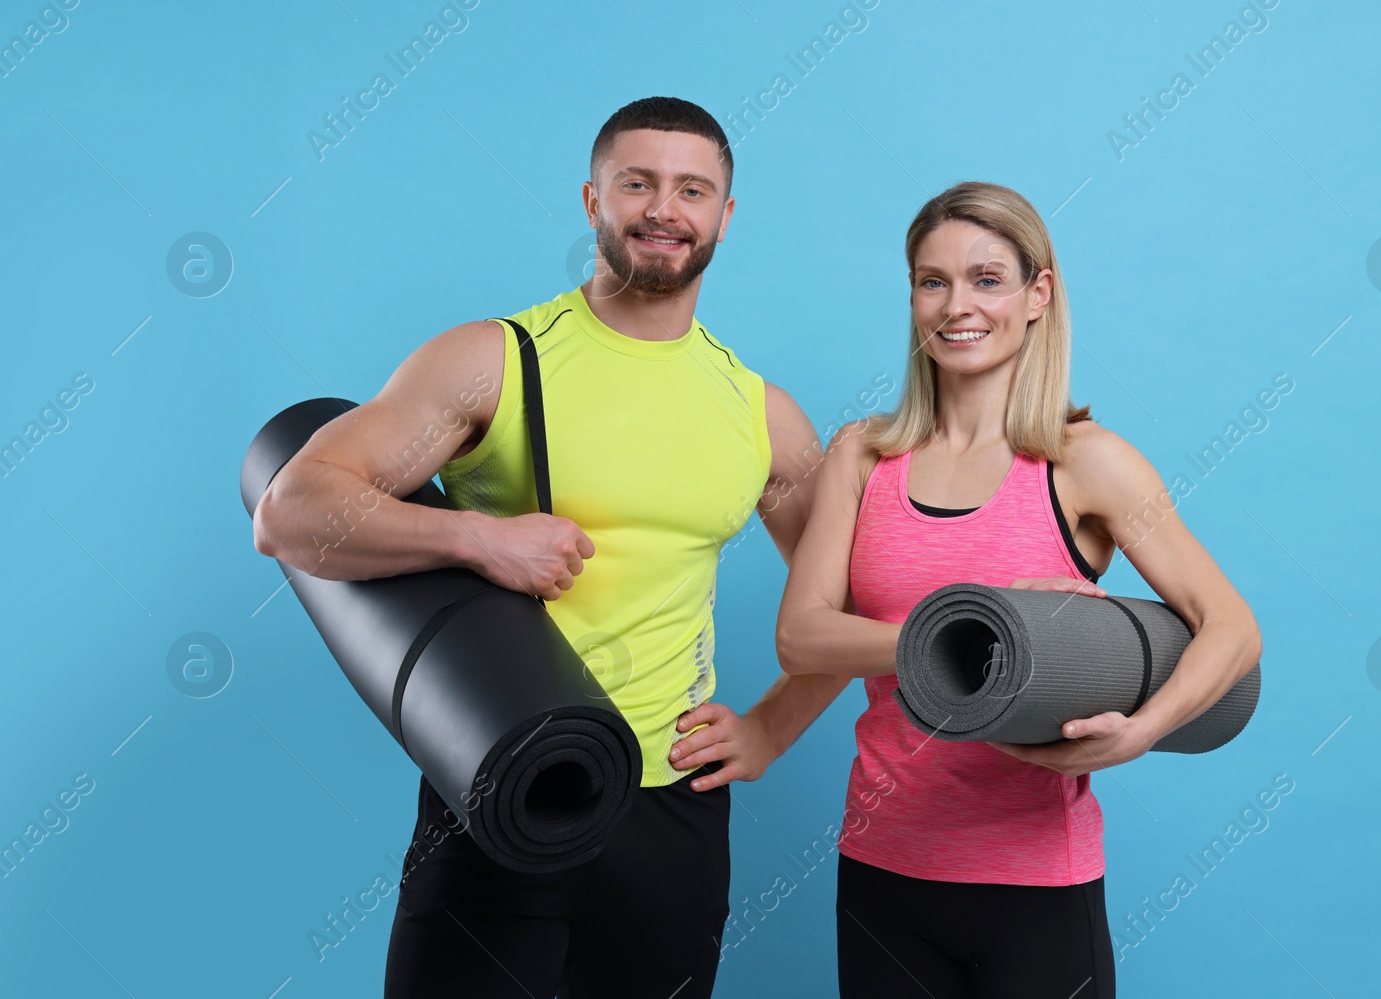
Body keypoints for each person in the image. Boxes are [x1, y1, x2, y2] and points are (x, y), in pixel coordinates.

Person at [252, 96, 850, 999]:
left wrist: (772, 725)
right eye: (636, 183)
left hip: (671, 807)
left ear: (725, 217)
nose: (664, 209)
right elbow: (292, 512)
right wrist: (476, 536)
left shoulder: (758, 410)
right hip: (499, 785)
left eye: (693, 190)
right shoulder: (498, 359)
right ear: (591, 201)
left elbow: (847, 597)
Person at [774, 181, 1263, 998]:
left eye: (986, 278)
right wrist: (964, 638)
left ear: (1039, 294)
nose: (957, 305)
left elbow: (1233, 627)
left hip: (1038, 881)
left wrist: (1139, 732)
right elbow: (802, 636)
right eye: (933, 281)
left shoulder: (1086, 462)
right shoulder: (862, 454)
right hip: (883, 865)